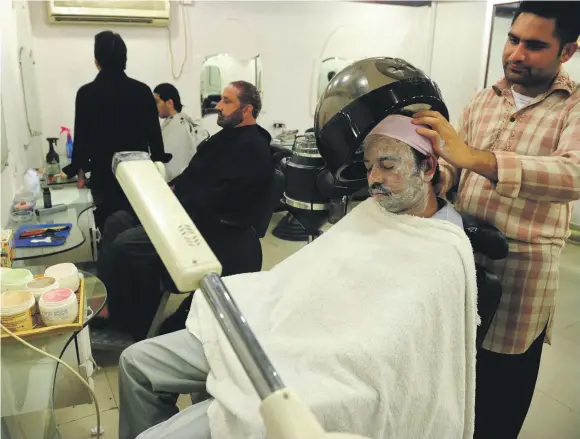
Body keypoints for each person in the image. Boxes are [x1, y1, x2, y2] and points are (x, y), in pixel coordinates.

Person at [117, 114, 470, 439]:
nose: (374, 178)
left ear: (428, 168)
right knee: (136, 363)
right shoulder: (372, 211)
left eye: (388, 165)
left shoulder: (441, 246)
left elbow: (402, 349)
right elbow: (307, 274)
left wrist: (322, 347)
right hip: (271, 324)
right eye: (369, 166)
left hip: (321, 368)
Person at [411, 2, 580, 437]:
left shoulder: (572, 106)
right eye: (513, 39)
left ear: (568, 51)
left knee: (500, 393)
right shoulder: (484, 100)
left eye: (536, 45)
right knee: (454, 373)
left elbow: (573, 174)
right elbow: (456, 168)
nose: (517, 54)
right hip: (461, 255)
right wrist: (427, 176)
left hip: (523, 271)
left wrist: (475, 157)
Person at [97, 80, 273, 341]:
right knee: (116, 222)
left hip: (203, 227)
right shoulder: (224, 138)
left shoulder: (254, 148)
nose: (219, 106)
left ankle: (132, 322)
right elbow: (194, 175)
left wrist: (177, 206)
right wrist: (169, 189)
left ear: (247, 110)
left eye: (227, 101)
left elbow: (224, 198)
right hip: (181, 209)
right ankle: (112, 303)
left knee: (125, 245)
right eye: (221, 100)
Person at [63, 31, 170, 232]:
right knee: (139, 226)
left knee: (108, 226)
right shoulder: (142, 90)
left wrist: (79, 170)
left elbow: (82, 137)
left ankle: (111, 260)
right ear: (125, 60)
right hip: (138, 174)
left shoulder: (86, 93)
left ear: (97, 61)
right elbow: (154, 135)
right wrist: (157, 163)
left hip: (103, 174)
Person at [153, 83, 209, 181]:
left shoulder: (179, 125)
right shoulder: (172, 122)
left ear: (169, 103)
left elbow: (178, 164)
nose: (154, 106)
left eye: (157, 102)